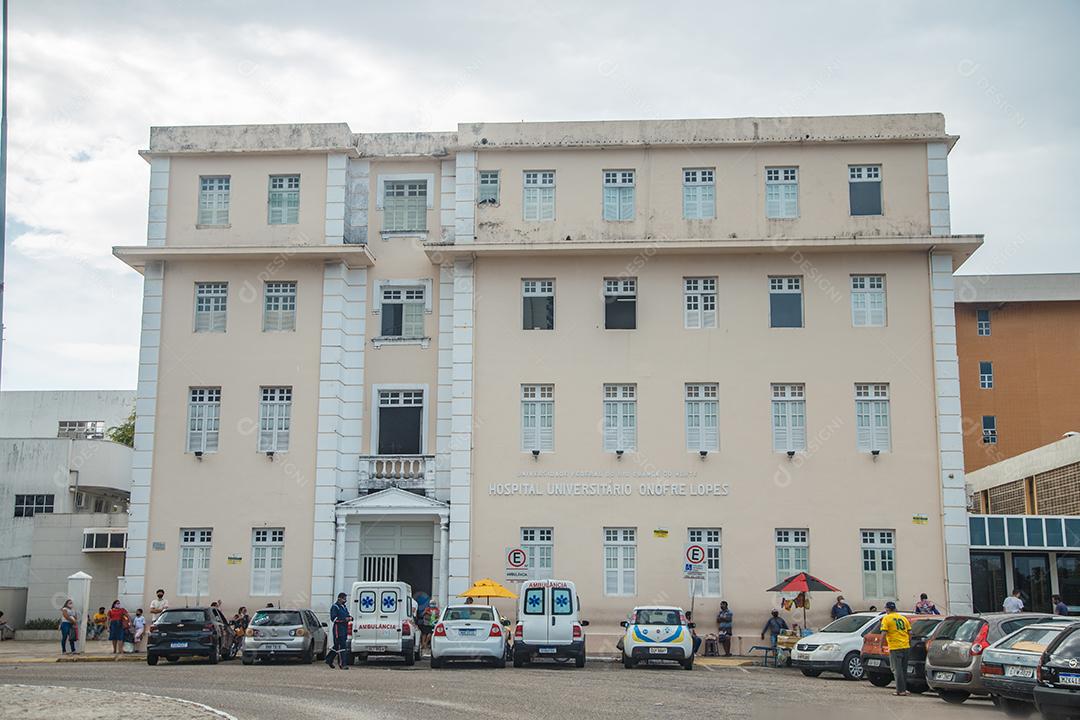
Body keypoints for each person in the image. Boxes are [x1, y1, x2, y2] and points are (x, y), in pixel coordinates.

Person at [880, 601, 912, 696]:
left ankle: (900, 690)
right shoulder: (903, 618)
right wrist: (908, 642)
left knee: (896, 669)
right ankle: (904, 689)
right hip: (905, 646)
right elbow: (910, 633)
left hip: (895, 647)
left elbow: (884, 633)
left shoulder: (886, 618)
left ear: (887, 609)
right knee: (903, 669)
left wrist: (881, 645)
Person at [326, 592, 352, 669]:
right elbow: (333, 618)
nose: (345, 600)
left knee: (337, 646)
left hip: (344, 629)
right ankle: (342, 664)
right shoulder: (335, 607)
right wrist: (344, 619)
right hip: (338, 630)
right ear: (339, 598)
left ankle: (329, 659)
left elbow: (347, 615)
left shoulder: (344, 607)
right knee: (342, 646)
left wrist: (350, 618)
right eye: (344, 598)